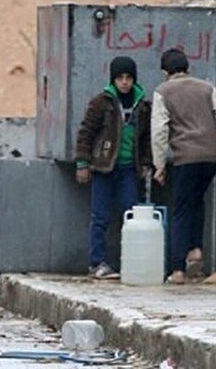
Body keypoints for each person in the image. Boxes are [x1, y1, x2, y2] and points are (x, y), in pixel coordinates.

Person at [151, 48, 216, 285]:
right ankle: (195, 249)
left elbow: (159, 131)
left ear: (164, 72)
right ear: (188, 68)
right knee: (196, 200)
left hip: (186, 158)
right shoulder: (206, 88)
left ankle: (178, 270)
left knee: (181, 209)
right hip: (211, 157)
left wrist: (159, 165)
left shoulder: (163, 92)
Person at [75, 56, 152, 280]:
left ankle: (130, 261)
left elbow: (146, 138)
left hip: (129, 169)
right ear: (113, 80)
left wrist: (145, 162)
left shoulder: (142, 106)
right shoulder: (102, 103)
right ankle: (96, 262)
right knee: (100, 217)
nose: (124, 82)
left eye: (128, 78)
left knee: (131, 216)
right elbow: (86, 133)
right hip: (103, 167)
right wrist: (83, 163)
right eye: (120, 78)